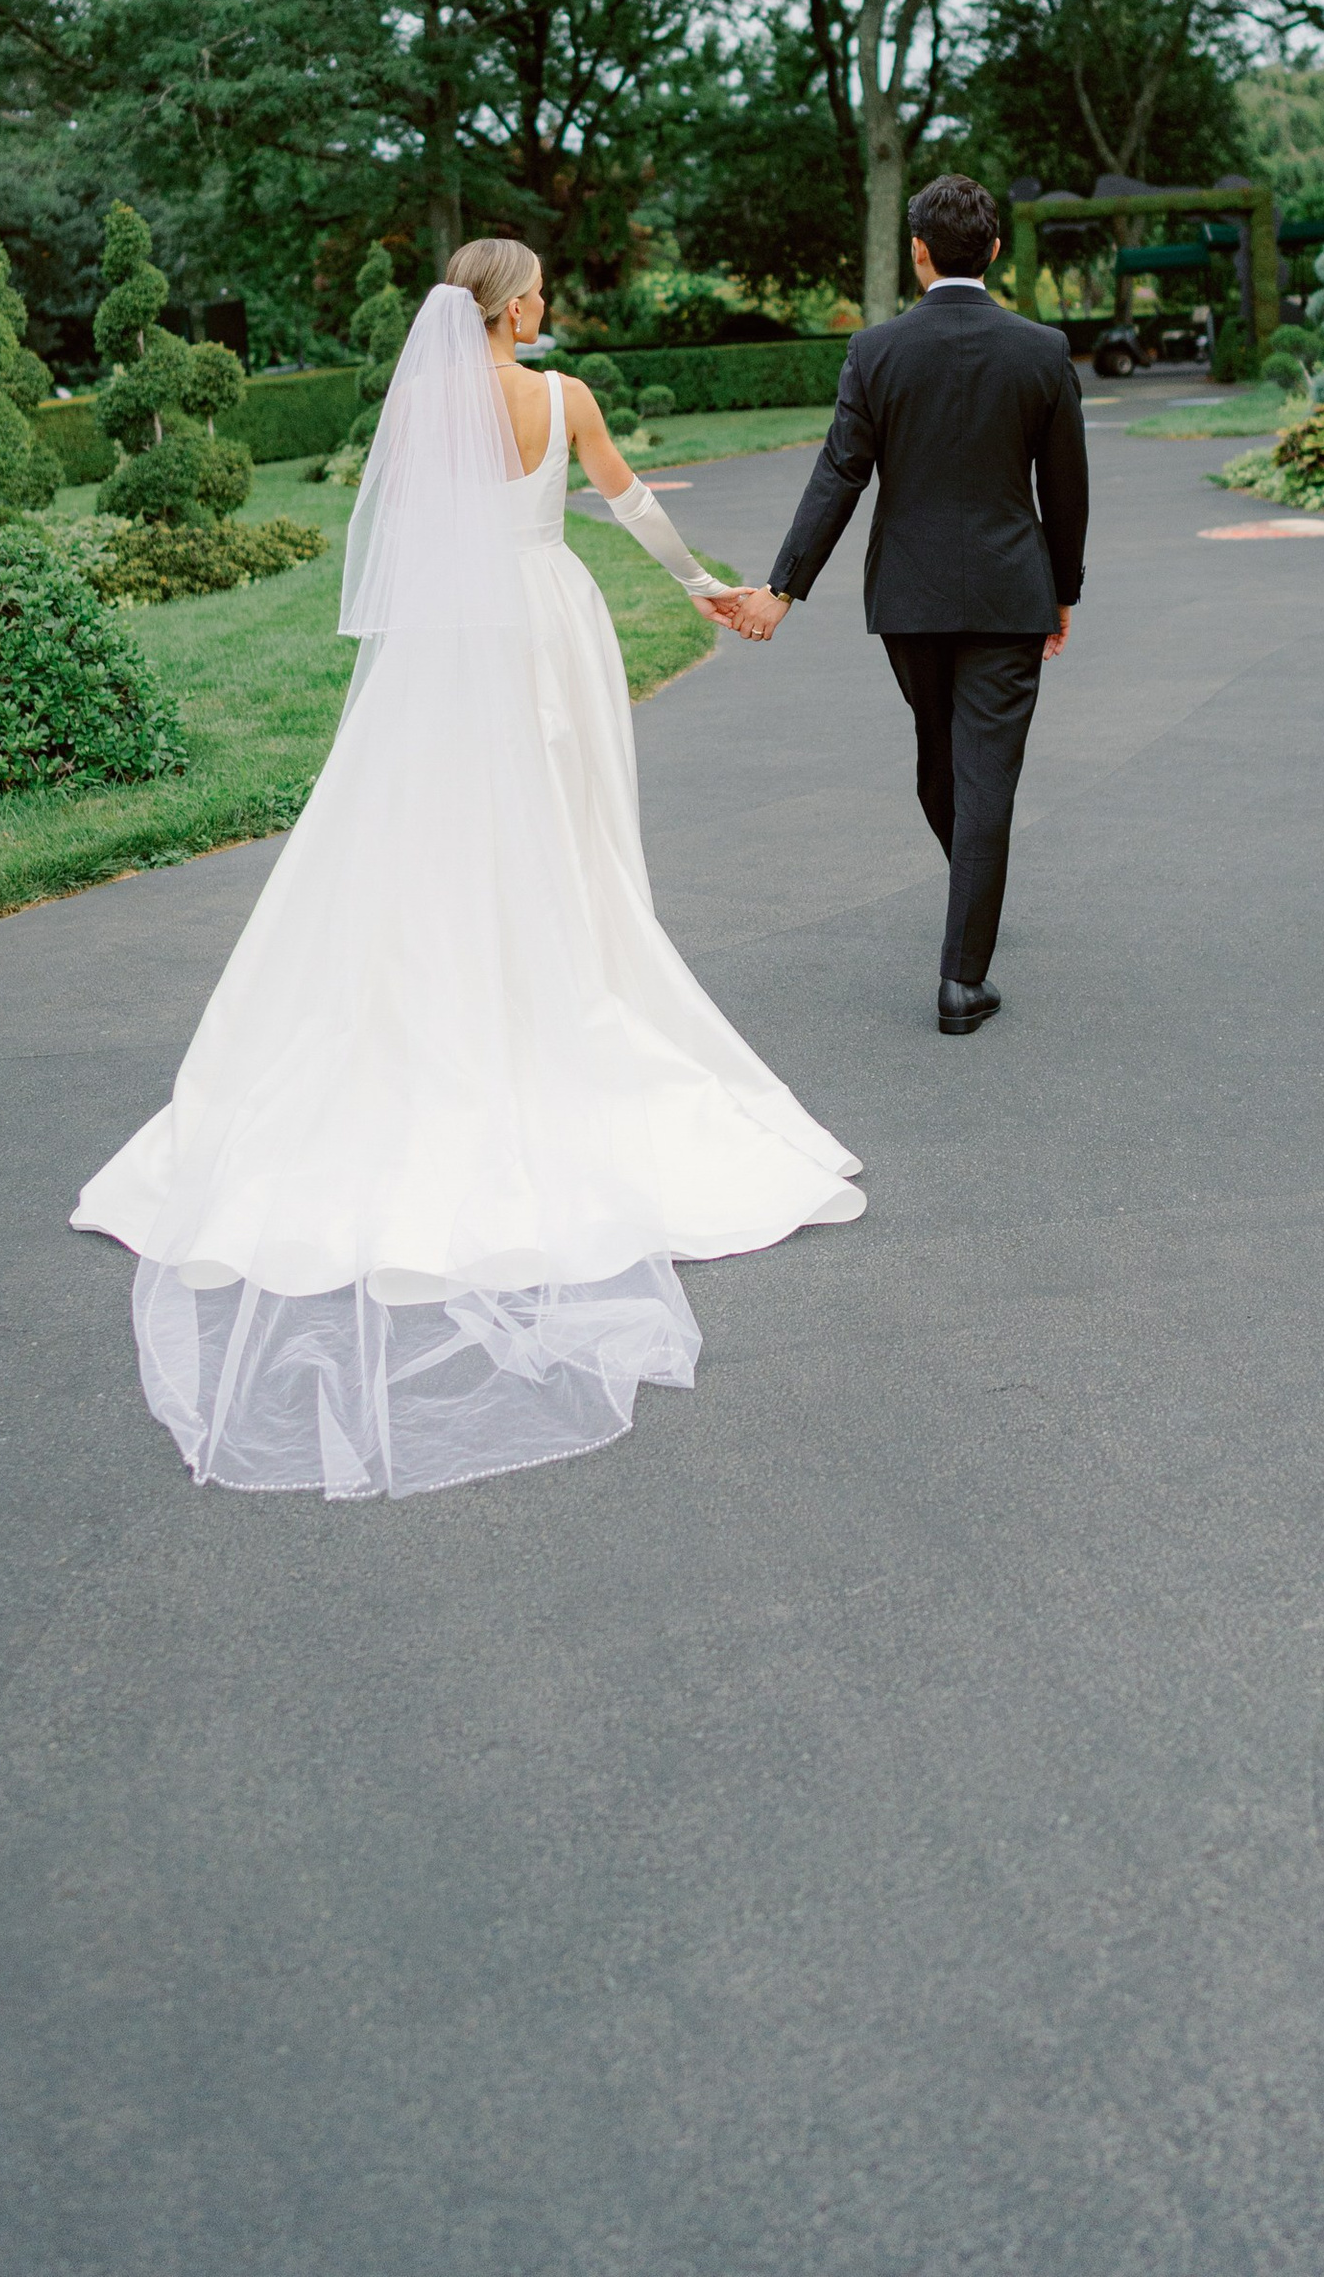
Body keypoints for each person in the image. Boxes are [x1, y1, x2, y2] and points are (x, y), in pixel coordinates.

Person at [73, 240, 864, 1500]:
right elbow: (630, 504)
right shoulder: (565, 399)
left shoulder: (430, 402)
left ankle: (441, 987)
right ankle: (556, 979)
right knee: (566, 826)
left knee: (428, 820)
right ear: (519, 305)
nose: (549, 299)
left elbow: (407, 532)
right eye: (540, 285)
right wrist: (711, 588)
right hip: (546, 623)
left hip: (454, 639)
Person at [722, 174, 1087, 1039]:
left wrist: (781, 589)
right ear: (993, 251)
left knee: (949, 768)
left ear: (916, 252)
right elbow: (1065, 490)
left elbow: (838, 477)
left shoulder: (876, 351)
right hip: (1008, 594)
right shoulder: (1041, 349)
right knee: (965, 775)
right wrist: (1062, 589)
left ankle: (963, 975)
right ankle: (976, 895)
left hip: (911, 600)